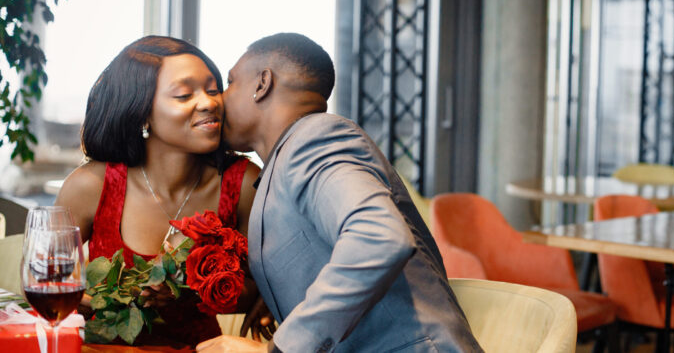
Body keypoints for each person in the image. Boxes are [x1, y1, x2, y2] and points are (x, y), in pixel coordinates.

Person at [198, 33, 481, 352]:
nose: (219, 101)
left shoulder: (315, 139)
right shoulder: (283, 163)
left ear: (262, 83)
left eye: (231, 82)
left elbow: (378, 237)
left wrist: (279, 348)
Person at [55, 36, 262, 347]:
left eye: (212, 90)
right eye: (183, 94)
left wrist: (190, 288)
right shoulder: (91, 185)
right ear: (141, 112)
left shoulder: (243, 183)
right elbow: (44, 281)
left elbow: (256, 292)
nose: (209, 103)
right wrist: (90, 301)